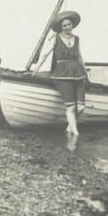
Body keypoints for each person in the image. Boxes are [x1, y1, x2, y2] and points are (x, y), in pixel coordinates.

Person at [31, 10, 90, 139]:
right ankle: (75, 133)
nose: (67, 27)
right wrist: (35, 70)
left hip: (78, 73)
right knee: (71, 107)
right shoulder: (56, 38)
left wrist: (86, 74)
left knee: (80, 107)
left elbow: (80, 57)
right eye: (64, 25)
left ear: (72, 25)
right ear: (60, 28)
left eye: (69, 24)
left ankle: (69, 127)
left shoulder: (77, 39)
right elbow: (45, 54)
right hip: (62, 74)